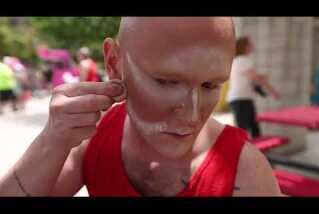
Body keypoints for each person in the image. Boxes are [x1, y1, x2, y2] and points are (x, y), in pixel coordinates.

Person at [0, 17, 282, 196]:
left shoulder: (244, 170)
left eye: (211, 86)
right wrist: (53, 139)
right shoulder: (92, 138)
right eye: (166, 82)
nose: (192, 115)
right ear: (113, 64)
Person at [227, 36, 280, 138]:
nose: (253, 46)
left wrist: (260, 78)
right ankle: (244, 153)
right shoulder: (243, 61)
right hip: (241, 99)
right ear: (245, 47)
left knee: (253, 128)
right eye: (250, 44)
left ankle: (255, 152)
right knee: (245, 130)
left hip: (243, 99)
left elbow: (253, 79)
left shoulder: (239, 61)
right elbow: (257, 79)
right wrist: (273, 92)